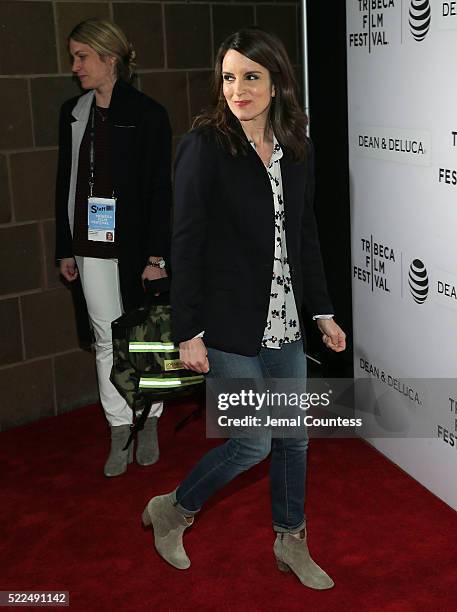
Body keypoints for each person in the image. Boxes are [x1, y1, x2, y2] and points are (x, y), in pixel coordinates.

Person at [142, 28, 346, 588]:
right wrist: (188, 331)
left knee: (294, 436)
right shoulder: (205, 145)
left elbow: (304, 235)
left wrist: (322, 310)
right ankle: (174, 510)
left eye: (251, 77)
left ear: (277, 83)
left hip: (285, 318)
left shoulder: (296, 147)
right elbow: (185, 241)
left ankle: (290, 540)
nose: (238, 89)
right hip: (225, 321)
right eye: (229, 77)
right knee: (253, 439)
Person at [55, 19, 172, 477]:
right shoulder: (73, 111)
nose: (75, 66)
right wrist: (65, 247)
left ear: (110, 59)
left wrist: (156, 256)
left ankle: (150, 422)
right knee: (105, 338)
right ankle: (119, 426)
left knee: (144, 337)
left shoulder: (148, 113)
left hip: (137, 248)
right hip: (90, 245)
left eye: (82, 56)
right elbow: (63, 183)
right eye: (72, 57)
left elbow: (161, 190)